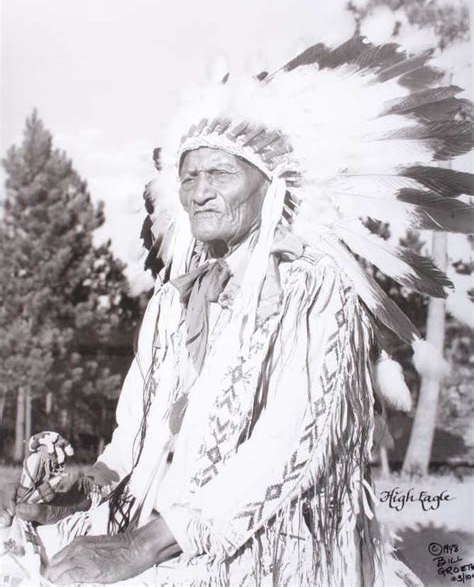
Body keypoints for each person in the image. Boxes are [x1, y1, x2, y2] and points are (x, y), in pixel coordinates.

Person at [1, 36, 472, 587]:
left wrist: (140, 545)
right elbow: (136, 434)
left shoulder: (316, 290)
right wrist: (82, 490)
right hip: (156, 542)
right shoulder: (172, 303)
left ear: (270, 187)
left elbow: (291, 444)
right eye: (189, 176)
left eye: (219, 174)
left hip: (266, 553)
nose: (198, 192)